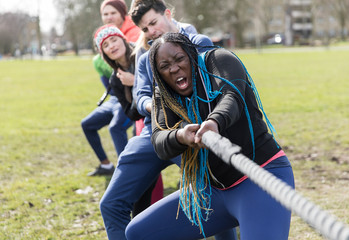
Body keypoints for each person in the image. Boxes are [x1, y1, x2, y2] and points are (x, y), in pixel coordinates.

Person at [125, 32, 295, 240]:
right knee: (138, 233)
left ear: (191, 54)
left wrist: (214, 122)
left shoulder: (219, 60)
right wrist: (180, 136)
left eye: (179, 59)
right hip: (213, 191)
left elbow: (232, 97)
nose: (174, 68)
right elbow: (159, 141)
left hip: (262, 179)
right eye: (164, 66)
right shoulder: (164, 93)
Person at [97, 1, 237, 240]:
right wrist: (154, 105)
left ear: (168, 14)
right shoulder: (143, 58)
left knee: (211, 192)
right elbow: (139, 98)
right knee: (110, 204)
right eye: (144, 28)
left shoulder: (198, 44)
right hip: (154, 132)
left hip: (192, 133)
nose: (151, 31)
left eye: (153, 22)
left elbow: (220, 89)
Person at [81, 0, 141, 176]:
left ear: (123, 13)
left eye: (113, 13)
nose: (109, 17)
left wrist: (134, 82)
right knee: (87, 124)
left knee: (116, 128)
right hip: (119, 97)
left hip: (140, 98)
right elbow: (109, 84)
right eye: (105, 14)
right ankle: (107, 166)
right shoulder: (104, 39)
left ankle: (127, 171)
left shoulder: (138, 38)